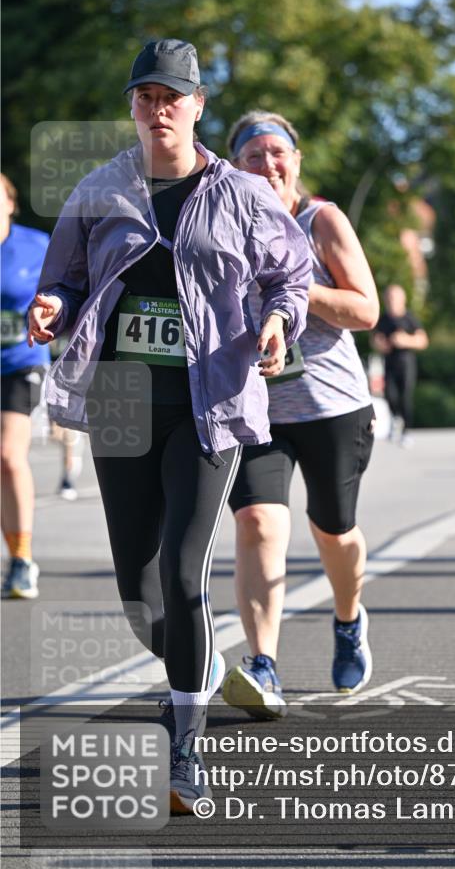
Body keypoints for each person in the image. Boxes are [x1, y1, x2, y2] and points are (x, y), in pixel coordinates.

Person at [26, 41, 311, 813]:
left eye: (172, 97)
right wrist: (52, 304)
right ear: (132, 106)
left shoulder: (241, 194)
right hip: (121, 400)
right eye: (145, 97)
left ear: (197, 106)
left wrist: (278, 320)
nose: (158, 110)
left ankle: (186, 750)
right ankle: (197, 667)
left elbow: (290, 273)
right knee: (137, 591)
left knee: (185, 576)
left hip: (206, 399)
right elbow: (64, 278)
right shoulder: (99, 190)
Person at [222, 110, 379, 719]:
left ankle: (348, 619)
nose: (267, 164)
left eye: (277, 153)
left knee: (332, 530)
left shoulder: (322, 221)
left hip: (331, 406)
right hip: (256, 408)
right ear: (235, 168)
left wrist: (294, 286)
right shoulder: (223, 229)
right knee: (258, 523)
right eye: (253, 156)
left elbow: (365, 310)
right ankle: (263, 663)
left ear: (296, 161)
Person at [1, 174, 50, 599]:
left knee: (7, 454)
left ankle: (21, 560)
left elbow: (63, 289)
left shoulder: (36, 245)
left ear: (10, 203)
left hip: (21, 362)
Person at [372, 284, 428, 446]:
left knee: (405, 396)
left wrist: (406, 340)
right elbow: (375, 339)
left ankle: (406, 431)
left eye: (394, 298)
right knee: (390, 394)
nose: (391, 301)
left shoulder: (409, 318)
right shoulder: (383, 319)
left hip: (406, 363)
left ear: (402, 299)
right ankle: (395, 420)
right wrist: (379, 344)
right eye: (389, 298)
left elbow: (423, 340)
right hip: (389, 362)